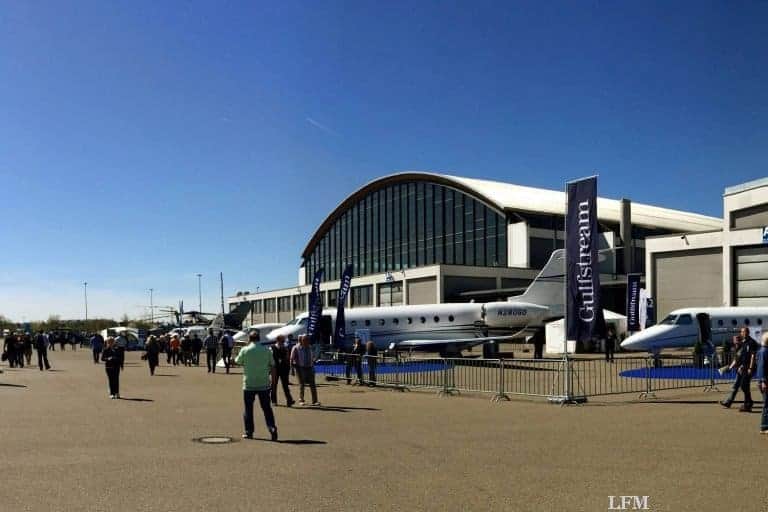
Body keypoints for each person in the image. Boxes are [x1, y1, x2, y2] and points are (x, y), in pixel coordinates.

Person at [235, 330, 278, 441]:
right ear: (259, 338)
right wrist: (273, 383)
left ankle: (249, 431)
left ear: (249, 339)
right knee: (267, 408)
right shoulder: (266, 350)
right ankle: (272, 427)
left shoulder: (245, 350)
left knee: (248, 409)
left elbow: (237, 361)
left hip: (249, 384)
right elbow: (273, 365)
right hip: (263, 384)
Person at [720, 327, 758, 411]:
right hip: (742, 367)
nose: (742, 333)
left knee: (744, 385)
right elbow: (739, 357)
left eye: (744, 332)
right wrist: (736, 366)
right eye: (742, 332)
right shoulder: (743, 343)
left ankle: (748, 403)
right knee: (743, 385)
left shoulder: (752, 343)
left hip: (748, 367)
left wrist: (750, 368)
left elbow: (752, 356)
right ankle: (747, 404)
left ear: (747, 332)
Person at [290, 335, 320, 406]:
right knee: (302, 384)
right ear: (302, 341)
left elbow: (312, 356)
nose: (307, 342)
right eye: (305, 340)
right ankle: (301, 400)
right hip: (300, 368)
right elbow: (291, 358)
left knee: (312, 384)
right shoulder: (296, 348)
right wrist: (292, 369)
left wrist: (313, 360)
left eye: (307, 340)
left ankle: (315, 401)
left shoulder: (310, 347)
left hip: (310, 367)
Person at [271, 335, 295, 407]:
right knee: (274, 385)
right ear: (278, 340)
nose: (284, 341)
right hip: (275, 368)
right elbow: (270, 358)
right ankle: (274, 401)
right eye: (282, 340)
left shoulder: (285, 348)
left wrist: (289, 368)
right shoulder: (272, 347)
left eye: (283, 340)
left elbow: (287, 358)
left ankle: (289, 400)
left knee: (285, 385)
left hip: (284, 368)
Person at [755, 333, 768, 435]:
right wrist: (763, 381)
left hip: (763, 380)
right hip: (765, 381)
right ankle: (764, 427)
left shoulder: (761, 351)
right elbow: (762, 367)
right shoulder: (764, 351)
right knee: (767, 404)